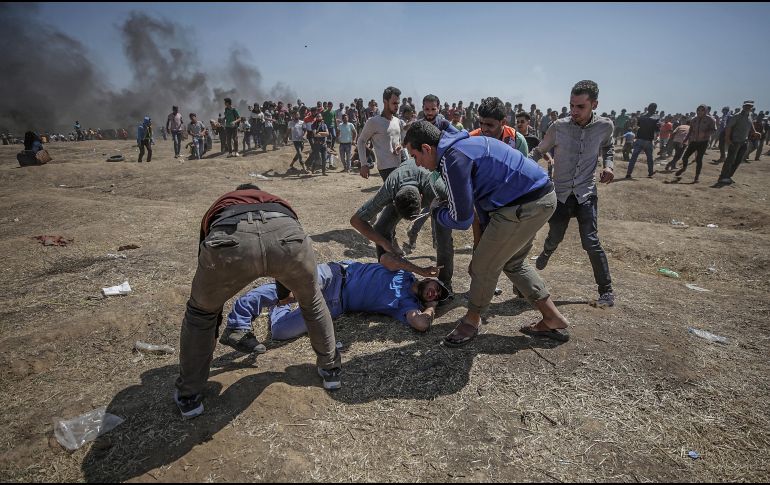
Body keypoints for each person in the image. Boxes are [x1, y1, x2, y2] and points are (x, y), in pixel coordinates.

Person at [174, 183, 342, 419]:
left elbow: (207, 263)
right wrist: (285, 294)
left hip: (230, 238)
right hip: (285, 233)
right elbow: (285, 242)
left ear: (238, 193)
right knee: (312, 302)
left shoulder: (222, 203)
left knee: (200, 313)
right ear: (258, 193)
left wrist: (212, 322)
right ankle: (331, 369)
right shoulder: (275, 200)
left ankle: (190, 396)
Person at [404, 121, 571, 345]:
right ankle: (552, 317)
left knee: (484, 266)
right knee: (513, 262)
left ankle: (471, 320)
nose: (419, 164)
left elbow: (461, 219)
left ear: (426, 148)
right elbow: (480, 203)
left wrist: (437, 212)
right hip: (539, 198)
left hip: (523, 205)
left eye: (415, 156)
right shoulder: (464, 145)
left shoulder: (453, 159)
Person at [530, 80, 616, 308]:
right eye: (572, 105)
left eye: (580, 107)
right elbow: (539, 150)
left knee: (591, 241)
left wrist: (609, 166)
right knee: (555, 235)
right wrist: (520, 167)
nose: (574, 111)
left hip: (586, 193)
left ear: (594, 104)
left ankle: (606, 291)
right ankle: (547, 251)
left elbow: (608, 146)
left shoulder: (605, 126)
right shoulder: (559, 127)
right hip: (560, 194)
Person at [225, 255, 447, 342]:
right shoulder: (403, 271)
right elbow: (386, 257)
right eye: (437, 288)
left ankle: (280, 307)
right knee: (287, 290)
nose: (435, 293)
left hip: (334, 305)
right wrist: (420, 269)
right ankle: (239, 320)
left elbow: (420, 324)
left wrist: (431, 307)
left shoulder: (407, 305)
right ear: (429, 280)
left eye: (438, 296)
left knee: (281, 332)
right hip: (335, 276)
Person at [350, 159, 455, 297]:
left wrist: (436, 209)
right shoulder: (390, 187)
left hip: (436, 195)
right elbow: (356, 220)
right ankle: (387, 278)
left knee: (443, 239)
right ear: (393, 201)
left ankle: (444, 284)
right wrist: (384, 243)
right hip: (403, 185)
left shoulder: (437, 187)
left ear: (422, 197)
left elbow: (462, 210)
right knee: (381, 228)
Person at [357, 86, 404, 181]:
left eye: (398, 103)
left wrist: (401, 146)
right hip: (386, 168)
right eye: (394, 103)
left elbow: (403, 140)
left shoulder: (397, 121)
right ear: (385, 102)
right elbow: (361, 141)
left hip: (400, 165)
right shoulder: (374, 122)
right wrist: (364, 164)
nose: (397, 106)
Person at [718, 101, 760, 185]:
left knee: (738, 160)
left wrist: (755, 132)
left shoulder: (750, 116)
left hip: (744, 141)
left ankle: (728, 176)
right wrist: (727, 138)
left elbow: (750, 124)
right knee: (730, 159)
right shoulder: (737, 116)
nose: (748, 107)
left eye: (750, 106)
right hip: (735, 141)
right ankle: (723, 177)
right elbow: (729, 127)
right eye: (747, 106)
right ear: (743, 106)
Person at [674, 105, 716, 183]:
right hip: (693, 141)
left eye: (702, 110)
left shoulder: (710, 120)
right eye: (698, 110)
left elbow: (714, 130)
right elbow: (690, 131)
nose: (699, 112)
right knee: (685, 157)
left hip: (703, 142)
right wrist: (685, 140)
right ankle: (683, 168)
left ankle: (696, 177)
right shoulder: (694, 120)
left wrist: (705, 133)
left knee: (699, 159)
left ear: (706, 111)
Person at [625, 103, 660, 178]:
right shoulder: (656, 118)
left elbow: (638, 126)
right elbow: (657, 130)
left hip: (640, 139)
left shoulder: (642, 117)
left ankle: (628, 173)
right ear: (655, 109)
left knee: (633, 158)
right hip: (648, 141)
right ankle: (650, 173)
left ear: (648, 108)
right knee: (650, 159)